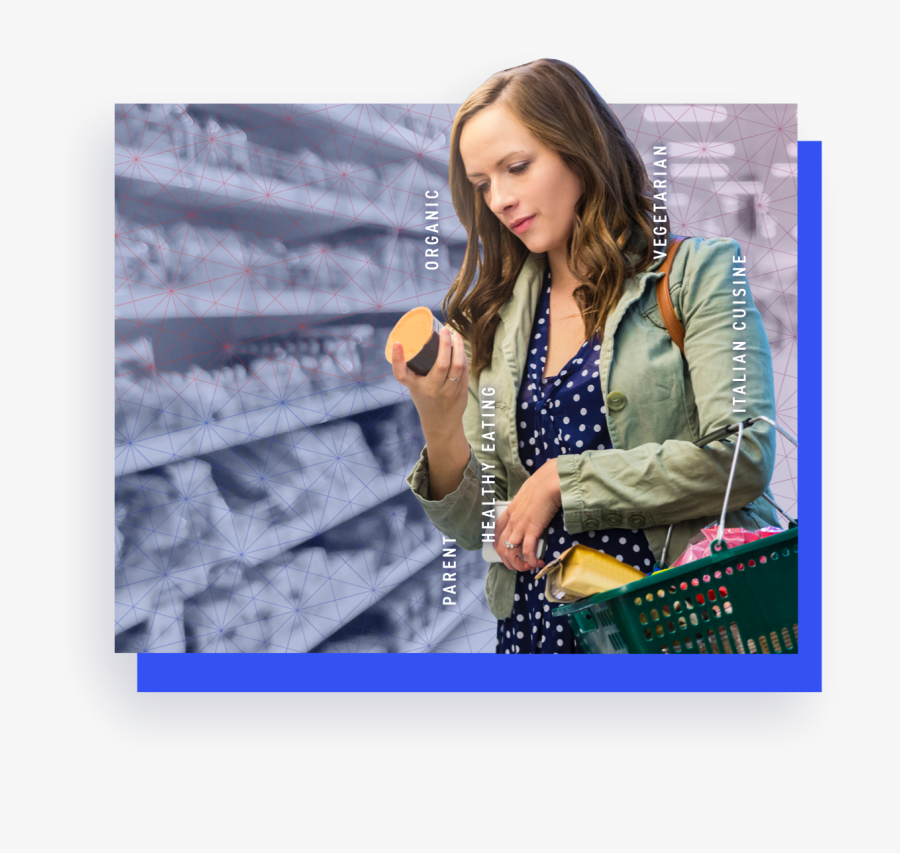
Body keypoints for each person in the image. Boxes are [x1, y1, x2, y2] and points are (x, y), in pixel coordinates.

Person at [391, 59, 781, 654]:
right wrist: (438, 420)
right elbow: (478, 526)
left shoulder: (698, 275)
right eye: (481, 184)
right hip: (539, 633)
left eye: (516, 167)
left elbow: (742, 456)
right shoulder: (489, 320)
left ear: (580, 150)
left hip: (678, 623)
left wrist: (560, 482)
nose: (499, 198)